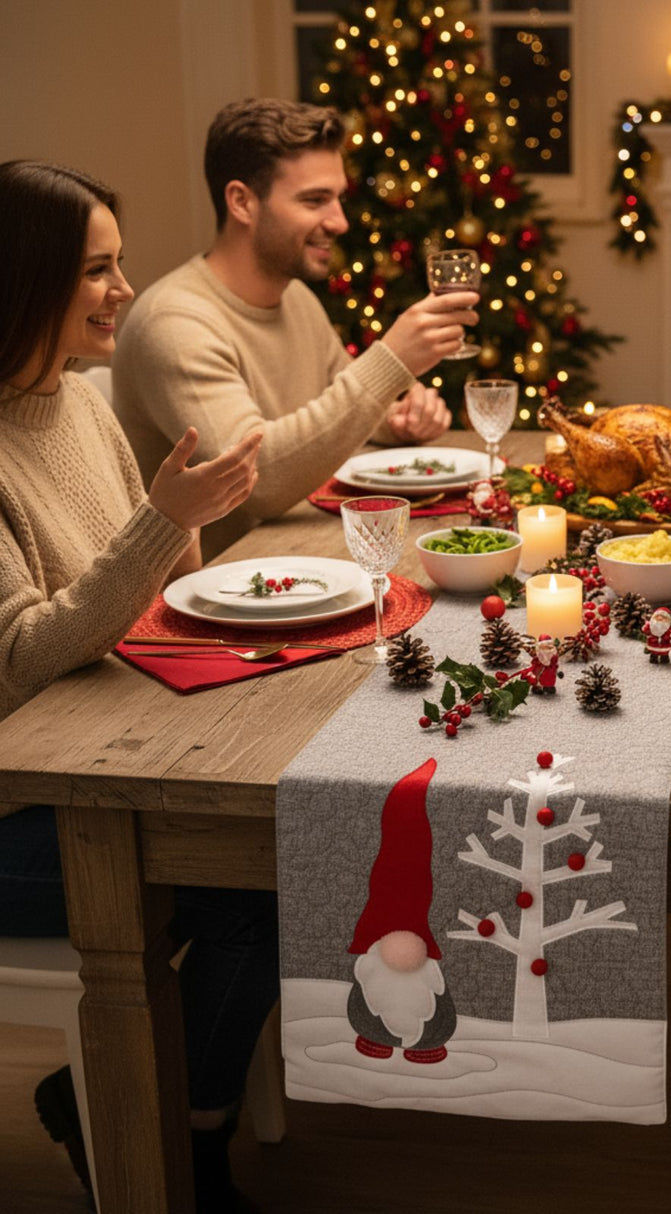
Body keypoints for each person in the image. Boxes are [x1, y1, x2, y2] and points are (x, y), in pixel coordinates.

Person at [0, 160, 273, 1213]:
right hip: (20, 803)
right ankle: (161, 1133)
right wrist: (163, 523)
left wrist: (179, 524)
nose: (124, 289)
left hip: (95, 756)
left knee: (283, 837)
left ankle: (161, 1109)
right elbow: (24, 656)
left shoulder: (78, 399)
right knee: (257, 876)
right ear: (25, 279)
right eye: (96, 270)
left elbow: (151, 587)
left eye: (119, 264)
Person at [113, 97, 479, 559]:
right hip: (219, 587)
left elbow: (332, 418)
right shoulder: (174, 322)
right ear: (242, 202)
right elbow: (256, 479)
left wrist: (396, 421)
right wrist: (391, 362)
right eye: (314, 200)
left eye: (337, 198)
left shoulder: (296, 299)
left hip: (301, 555)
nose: (339, 221)